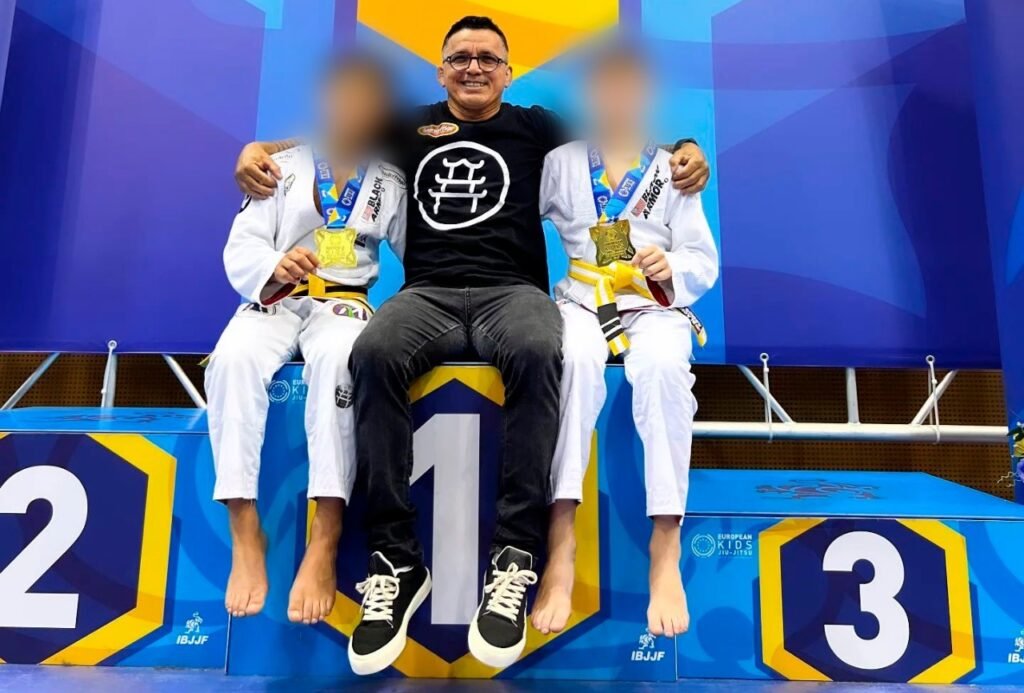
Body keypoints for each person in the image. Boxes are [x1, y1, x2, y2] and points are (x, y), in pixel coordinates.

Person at [233, 16, 710, 674]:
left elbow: (619, 140)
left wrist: (686, 148)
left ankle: (516, 554)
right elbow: (331, 138)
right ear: (440, 71)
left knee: (543, 350)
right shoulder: (408, 126)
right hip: (426, 292)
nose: (474, 67)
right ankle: (395, 558)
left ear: (509, 72)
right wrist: (257, 148)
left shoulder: (538, 129)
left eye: (488, 58)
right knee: (371, 354)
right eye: (460, 57)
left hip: (511, 292)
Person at [207, 55, 405, 626]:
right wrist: (275, 265)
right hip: (275, 298)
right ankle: (245, 528)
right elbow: (243, 244)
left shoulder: (390, 180)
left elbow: (422, 257)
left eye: (367, 100)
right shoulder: (280, 167)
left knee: (342, 360)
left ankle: (326, 531)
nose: (354, 109)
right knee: (232, 360)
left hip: (344, 302)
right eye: (345, 97)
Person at [533, 46, 718, 639]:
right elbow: (514, 217)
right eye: (606, 87)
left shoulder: (673, 168)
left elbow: (701, 258)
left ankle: (666, 546)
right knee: (572, 363)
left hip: (651, 305)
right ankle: (560, 538)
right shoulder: (561, 162)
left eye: (628, 87)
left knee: (664, 370)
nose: (617, 98)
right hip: (582, 300)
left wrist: (671, 265)